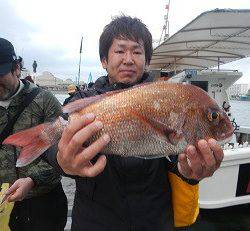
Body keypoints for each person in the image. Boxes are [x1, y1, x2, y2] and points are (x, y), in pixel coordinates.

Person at [46, 16, 224, 231]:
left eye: (137, 52)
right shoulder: (82, 100)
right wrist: (61, 161)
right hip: (94, 221)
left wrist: (189, 172)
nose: (128, 59)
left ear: (147, 61)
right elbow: (51, 146)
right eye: (120, 51)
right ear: (104, 60)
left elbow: (177, 158)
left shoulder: (167, 97)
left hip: (155, 220)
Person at [0, 38, 68, 231]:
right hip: (2, 202)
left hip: (43, 201)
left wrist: (32, 180)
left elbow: (62, 153)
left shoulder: (45, 101)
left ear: (16, 68)